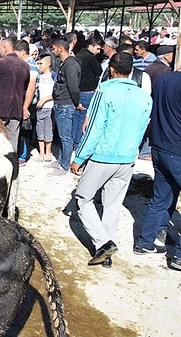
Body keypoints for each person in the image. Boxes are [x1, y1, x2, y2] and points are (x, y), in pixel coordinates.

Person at [70, 52, 152, 268]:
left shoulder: (104, 92)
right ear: (131, 70)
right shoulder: (145, 97)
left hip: (102, 156)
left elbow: (94, 129)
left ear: (111, 70)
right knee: (112, 205)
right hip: (127, 158)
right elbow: (143, 129)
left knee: (83, 199)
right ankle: (106, 252)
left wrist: (79, 157)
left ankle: (103, 243)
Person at [134, 71, 181, 271]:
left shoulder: (164, 79)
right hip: (177, 150)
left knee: (160, 197)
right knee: (161, 197)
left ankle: (145, 242)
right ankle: (178, 256)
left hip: (160, 147)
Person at [0, 37, 30, 152]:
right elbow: (25, 88)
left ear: (5, 48)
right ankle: (12, 164)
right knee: (13, 138)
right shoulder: (25, 66)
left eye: (0, 49)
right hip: (16, 108)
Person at [46, 38, 81, 176]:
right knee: (62, 135)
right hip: (61, 102)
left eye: (54, 48)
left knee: (66, 137)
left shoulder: (70, 65)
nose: (53, 51)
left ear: (61, 49)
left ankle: (65, 165)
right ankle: (61, 160)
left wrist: (76, 102)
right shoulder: (65, 63)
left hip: (66, 104)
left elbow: (73, 87)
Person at [14, 39, 40, 165]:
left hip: (29, 103)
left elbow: (31, 88)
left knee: (25, 129)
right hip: (24, 101)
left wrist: (25, 107)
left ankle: (23, 155)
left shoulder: (31, 66)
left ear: (22, 52)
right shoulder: (26, 64)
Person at [74, 37, 103, 150]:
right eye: (97, 48)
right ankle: (79, 142)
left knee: (76, 118)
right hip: (87, 91)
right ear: (90, 46)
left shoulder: (78, 55)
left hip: (78, 90)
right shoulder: (90, 58)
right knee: (84, 118)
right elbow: (99, 71)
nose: (98, 51)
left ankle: (75, 141)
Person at [35, 53, 57, 162]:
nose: (39, 66)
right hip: (40, 108)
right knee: (40, 130)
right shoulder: (39, 77)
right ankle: (41, 152)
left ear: (48, 64)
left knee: (48, 130)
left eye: (41, 63)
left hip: (50, 107)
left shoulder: (54, 76)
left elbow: (56, 93)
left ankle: (48, 152)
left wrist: (45, 99)